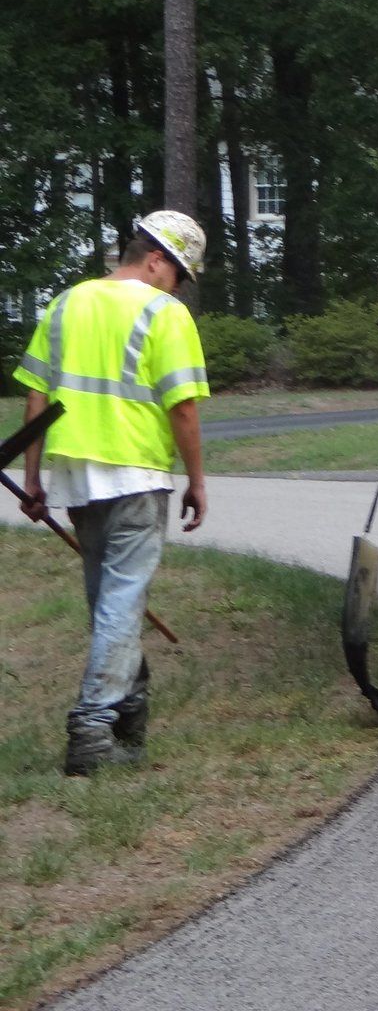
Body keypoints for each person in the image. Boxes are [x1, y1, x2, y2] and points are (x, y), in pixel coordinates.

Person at [13, 212, 211, 776]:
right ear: (156, 260)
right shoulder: (163, 312)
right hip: (137, 475)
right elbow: (183, 408)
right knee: (122, 601)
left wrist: (34, 478)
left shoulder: (65, 304)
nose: (178, 287)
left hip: (77, 479)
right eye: (179, 275)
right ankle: (92, 726)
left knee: (109, 602)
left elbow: (35, 396)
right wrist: (197, 481)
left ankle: (130, 717)